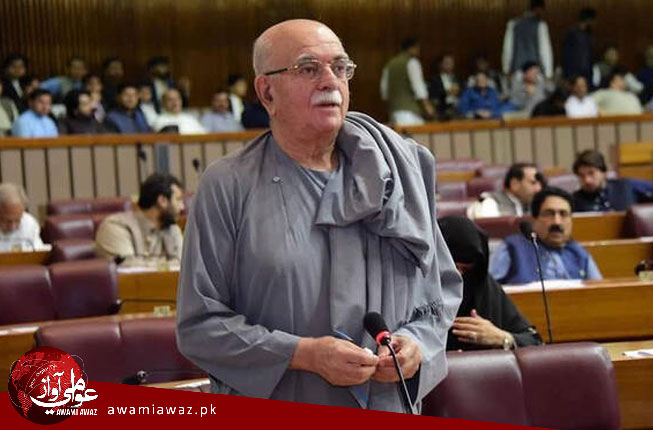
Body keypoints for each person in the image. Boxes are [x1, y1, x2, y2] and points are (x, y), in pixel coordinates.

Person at [176, 19, 461, 412]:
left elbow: (441, 291)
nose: (330, 81)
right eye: (308, 69)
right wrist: (303, 354)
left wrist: (417, 344)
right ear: (267, 91)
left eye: (340, 68)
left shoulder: (399, 170)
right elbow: (200, 327)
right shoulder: (228, 185)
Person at [438, 216, 542, 351]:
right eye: (452, 268)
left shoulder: (485, 287)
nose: (458, 277)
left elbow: (534, 342)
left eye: (466, 270)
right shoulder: (415, 288)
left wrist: (502, 338)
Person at [488, 187, 602, 284]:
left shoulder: (579, 253)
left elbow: (599, 291)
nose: (557, 222)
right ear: (534, 220)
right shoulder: (512, 248)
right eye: (549, 214)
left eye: (563, 214)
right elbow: (488, 290)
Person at [95, 173, 184, 266]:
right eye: (178, 200)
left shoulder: (171, 228)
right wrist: (167, 264)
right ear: (162, 201)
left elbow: (182, 264)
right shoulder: (115, 227)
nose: (182, 207)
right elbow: (128, 267)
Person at [572, 149, 653, 212]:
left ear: (604, 172)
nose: (587, 180)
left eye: (591, 173)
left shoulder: (625, 186)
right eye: (581, 176)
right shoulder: (575, 200)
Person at [380, 38, 434, 126]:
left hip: (394, 112)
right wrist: (428, 107)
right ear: (413, 48)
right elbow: (419, 88)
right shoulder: (412, 62)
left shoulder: (389, 64)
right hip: (410, 113)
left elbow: (384, 92)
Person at [467, 162, 544, 218]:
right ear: (514, 184)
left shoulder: (536, 205)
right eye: (533, 183)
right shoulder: (489, 202)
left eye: (540, 184)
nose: (539, 189)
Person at [502, 0, 553, 80]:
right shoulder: (541, 25)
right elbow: (545, 50)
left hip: (517, 71)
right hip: (535, 72)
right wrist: (548, 73)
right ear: (539, 9)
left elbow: (508, 48)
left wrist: (506, 69)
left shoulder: (513, 24)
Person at [0, 183, 45, 252]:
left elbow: (39, 252)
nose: (13, 226)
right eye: (8, 221)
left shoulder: (29, 223)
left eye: (18, 220)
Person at [561, 7, 596, 83]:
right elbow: (566, 55)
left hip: (586, 72)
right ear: (588, 20)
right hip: (573, 72)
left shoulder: (588, 34)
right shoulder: (572, 33)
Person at [428, 54, 461, 120]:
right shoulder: (435, 79)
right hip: (442, 110)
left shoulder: (457, 78)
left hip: (457, 109)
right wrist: (447, 92)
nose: (449, 65)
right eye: (447, 63)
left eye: (451, 63)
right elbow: (433, 97)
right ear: (441, 64)